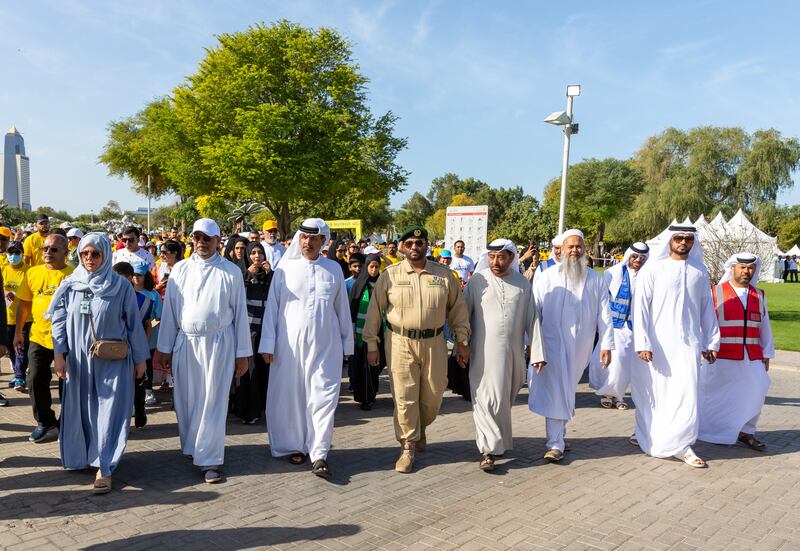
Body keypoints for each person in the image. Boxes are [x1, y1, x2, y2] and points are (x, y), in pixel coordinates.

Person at [363, 225, 471, 473]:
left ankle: (421, 426)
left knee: (433, 395)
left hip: (434, 343)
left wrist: (462, 342)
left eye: (419, 244)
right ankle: (407, 446)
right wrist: (371, 344)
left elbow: (458, 311)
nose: (414, 247)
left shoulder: (444, 275)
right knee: (404, 396)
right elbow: (374, 312)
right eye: (409, 243)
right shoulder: (389, 275)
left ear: (427, 246)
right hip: (400, 342)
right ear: (402, 246)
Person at [49, 234, 149, 493]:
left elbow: (133, 325)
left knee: (107, 411)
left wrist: (140, 360)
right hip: (79, 362)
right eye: (85, 254)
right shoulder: (71, 285)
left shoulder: (120, 286)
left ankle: (104, 465)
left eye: (95, 254)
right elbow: (58, 321)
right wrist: (59, 355)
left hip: (112, 360)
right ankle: (82, 456)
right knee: (80, 410)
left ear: (106, 254)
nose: (90, 259)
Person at [154, 218, 252, 484]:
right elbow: (171, 311)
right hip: (186, 343)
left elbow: (240, 315)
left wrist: (242, 353)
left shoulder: (230, 272)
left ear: (218, 240)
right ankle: (192, 447)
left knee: (212, 401)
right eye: (197, 237)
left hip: (219, 344)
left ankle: (209, 460)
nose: (202, 243)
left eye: (207, 238)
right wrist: (163, 349)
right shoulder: (181, 270)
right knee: (186, 400)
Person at [259, 218, 353, 479]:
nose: (307, 242)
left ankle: (319, 452)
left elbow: (341, 310)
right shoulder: (284, 270)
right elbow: (272, 310)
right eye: (303, 237)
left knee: (323, 398)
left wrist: (348, 346)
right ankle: (294, 445)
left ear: (323, 241)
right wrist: (267, 344)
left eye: (313, 238)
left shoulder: (333, 269)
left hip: (326, 347)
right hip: (288, 347)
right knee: (291, 398)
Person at [633, 225, 720, 468]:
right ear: (670, 240)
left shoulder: (699, 271)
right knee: (658, 395)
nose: (683, 242)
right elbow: (640, 308)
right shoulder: (653, 268)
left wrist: (711, 341)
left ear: (693, 242)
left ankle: (682, 445)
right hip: (657, 345)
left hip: (689, 344)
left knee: (687, 394)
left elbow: (707, 310)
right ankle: (653, 437)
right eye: (679, 238)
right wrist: (642, 341)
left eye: (688, 239)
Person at [527, 229, 613, 462]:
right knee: (557, 389)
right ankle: (555, 443)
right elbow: (534, 312)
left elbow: (605, 314)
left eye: (578, 246)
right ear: (561, 250)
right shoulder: (546, 276)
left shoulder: (595, 278)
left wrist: (606, 344)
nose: (574, 250)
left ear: (584, 249)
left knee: (566, 388)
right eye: (570, 247)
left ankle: (560, 436)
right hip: (551, 343)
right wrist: (532, 346)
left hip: (581, 346)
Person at [464, 239, 545, 471]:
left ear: (511, 258)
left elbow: (533, 319)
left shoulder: (522, 284)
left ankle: (496, 443)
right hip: (482, 353)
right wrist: (461, 343)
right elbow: (462, 314)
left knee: (502, 401)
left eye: (501, 257)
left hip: (513, 355)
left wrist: (537, 353)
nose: (495, 262)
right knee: (485, 399)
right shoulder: (477, 281)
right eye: (491, 257)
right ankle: (488, 450)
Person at [698, 253, 773, 451]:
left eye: (750, 268)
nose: (746, 271)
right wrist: (704, 347)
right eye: (742, 267)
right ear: (732, 268)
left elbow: (765, 326)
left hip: (752, 355)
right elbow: (703, 323)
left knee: (758, 390)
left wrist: (767, 353)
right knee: (717, 396)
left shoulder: (759, 295)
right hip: (720, 355)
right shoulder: (715, 292)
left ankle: (746, 432)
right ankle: (711, 432)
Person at [15, 234, 74, 441]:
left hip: (68, 340)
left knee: (67, 383)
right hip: (38, 336)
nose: (48, 252)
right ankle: (45, 421)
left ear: (66, 253)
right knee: (35, 379)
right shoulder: (33, 272)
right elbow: (24, 304)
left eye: (54, 249)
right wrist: (18, 333)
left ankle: (66, 424)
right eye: (45, 249)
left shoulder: (74, 274)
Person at [589, 242, 649, 410]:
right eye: (635, 256)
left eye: (642, 258)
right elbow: (600, 300)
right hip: (613, 324)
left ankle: (619, 395)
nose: (638, 260)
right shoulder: (612, 273)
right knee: (615, 360)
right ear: (629, 256)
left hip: (634, 327)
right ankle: (607, 393)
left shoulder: (647, 276)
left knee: (626, 362)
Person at [233, 242, 273, 425]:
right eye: (254, 253)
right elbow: (235, 296)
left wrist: (270, 274)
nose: (257, 256)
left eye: (260, 253)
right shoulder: (241, 275)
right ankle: (247, 410)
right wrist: (248, 274)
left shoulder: (270, 276)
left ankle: (264, 407)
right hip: (247, 331)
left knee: (264, 370)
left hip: (265, 330)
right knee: (249, 372)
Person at [349, 253, 385, 411]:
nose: (374, 269)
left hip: (380, 332)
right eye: (371, 266)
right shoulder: (359, 285)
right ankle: (365, 397)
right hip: (361, 333)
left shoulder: (383, 284)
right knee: (364, 365)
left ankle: (372, 392)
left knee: (376, 365)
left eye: (377, 266)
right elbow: (352, 308)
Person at [3, 240, 32, 391]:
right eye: (11, 253)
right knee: (10, 348)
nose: (13, 256)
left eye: (16, 253)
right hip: (7, 317)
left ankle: (20, 376)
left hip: (25, 317)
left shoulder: (29, 271)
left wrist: (20, 295)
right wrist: (5, 292)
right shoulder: (3, 269)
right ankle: (17, 373)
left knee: (21, 348)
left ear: (22, 254)